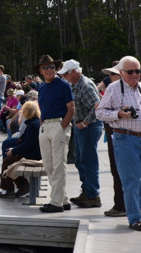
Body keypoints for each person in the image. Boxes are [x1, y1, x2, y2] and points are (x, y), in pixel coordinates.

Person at [96, 56, 141, 231]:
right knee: (131, 180)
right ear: (121, 72)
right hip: (125, 138)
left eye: (137, 71)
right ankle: (135, 217)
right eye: (130, 71)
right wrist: (119, 114)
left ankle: (134, 206)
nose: (135, 74)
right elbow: (100, 113)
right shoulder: (114, 89)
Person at [58, 59, 103, 208]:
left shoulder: (85, 85)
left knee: (88, 162)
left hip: (88, 127)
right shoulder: (76, 84)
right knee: (80, 161)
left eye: (66, 74)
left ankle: (92, 196)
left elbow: (97, 106)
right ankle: (87, 191)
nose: (64, 76)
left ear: (74, 72)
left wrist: (84, 123)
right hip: (81, 126)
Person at [34, 55, 75, 213]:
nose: (49, 70)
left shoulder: (63, 85)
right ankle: (63, 199)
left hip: (59, 124)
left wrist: (62, 126)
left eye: (52, 67)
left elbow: (71, 108)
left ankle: (56, 202)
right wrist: (42, 123)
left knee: (59, 165)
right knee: (49, 165)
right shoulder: (42, 87)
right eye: (46, 67)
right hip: (45, 126)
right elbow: (42, 106)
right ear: (41, 70)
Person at [0, 101, 42, 198]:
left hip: (33, 156)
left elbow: (28, 145)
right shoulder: (34, 123)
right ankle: (22, 185)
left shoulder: (33, 125)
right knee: (11, 161)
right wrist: (14, 149)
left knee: (7, 162)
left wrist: (14, 151)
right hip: (34, 153)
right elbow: (24, 141)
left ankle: (8, 190)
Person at [99, 64, 126, 217]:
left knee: (122, 171)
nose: (110, 77)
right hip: (114, 134)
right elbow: (101, 112)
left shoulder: (138, 90)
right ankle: (122, 205)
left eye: (113, 74)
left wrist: (117, 114)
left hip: (120, 135)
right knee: (117, 171)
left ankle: (123, 206)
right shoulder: (113, 89)